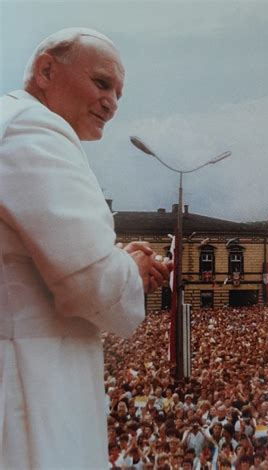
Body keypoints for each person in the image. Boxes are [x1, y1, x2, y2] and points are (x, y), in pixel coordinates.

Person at [0, 27, 172, 468]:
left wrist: (116, 258)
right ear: (46, 70)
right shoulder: (32, 130)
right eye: (101, 82)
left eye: (118, 92)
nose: (113, 102)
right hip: (29, 393)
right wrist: (130, 269)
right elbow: (91, 282)